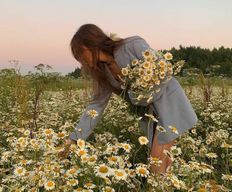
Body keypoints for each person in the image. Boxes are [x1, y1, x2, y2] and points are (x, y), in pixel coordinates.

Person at [59, 24, 198, 176]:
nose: (80, 59)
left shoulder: (132, 45)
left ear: (89, 45)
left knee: (156, 161)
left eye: (79, 53)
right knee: (164, 163)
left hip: (170, 104)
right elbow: (96, 106)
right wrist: (73, 140)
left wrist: (146, 94)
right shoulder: (103, 73)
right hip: (150, 115)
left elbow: (164, 69)